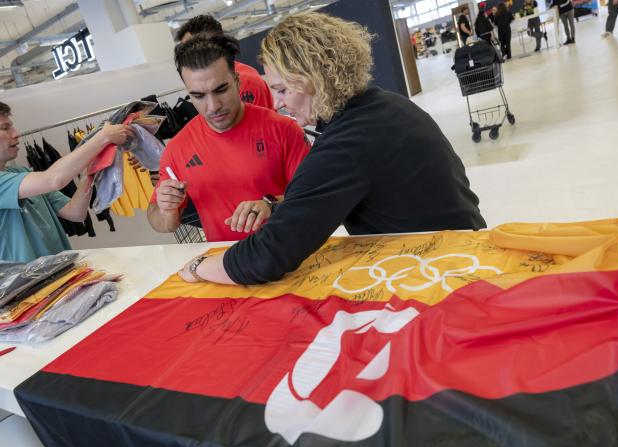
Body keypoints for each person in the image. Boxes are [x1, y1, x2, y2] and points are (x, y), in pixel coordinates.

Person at [176, 12, 486, 286]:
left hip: (442, 273)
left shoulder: (347, 143)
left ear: (315, 80)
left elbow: (270, 255)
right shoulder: (385, 106)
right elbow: (328, 197)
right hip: (464, 249)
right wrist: (276, 207)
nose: (280, 102)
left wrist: (199, 266)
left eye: (283, 90)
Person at [147, 34, 310, 242]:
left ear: (237, 81)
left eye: (221, 90)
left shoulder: (283, 129)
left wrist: (271, 204)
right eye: (199, 96)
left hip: (291, 251)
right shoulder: (178, 149)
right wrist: (167, 208)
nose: (213, 106)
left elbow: (315, 195)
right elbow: (162, 222)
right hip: (225, 265)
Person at [0, 102, 133, 262]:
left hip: (59, 273)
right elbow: (53, 179)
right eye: (5, 128)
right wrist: (103, 137)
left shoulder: (22, 173)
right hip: (26, 284)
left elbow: (75, 213)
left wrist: (89, 173)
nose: (16, 134)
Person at [175, 15, 274, 109]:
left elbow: (255, 125)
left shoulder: (244, 81)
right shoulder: (232, 74)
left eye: (190, 47)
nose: (185, 55)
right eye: (199, 96)